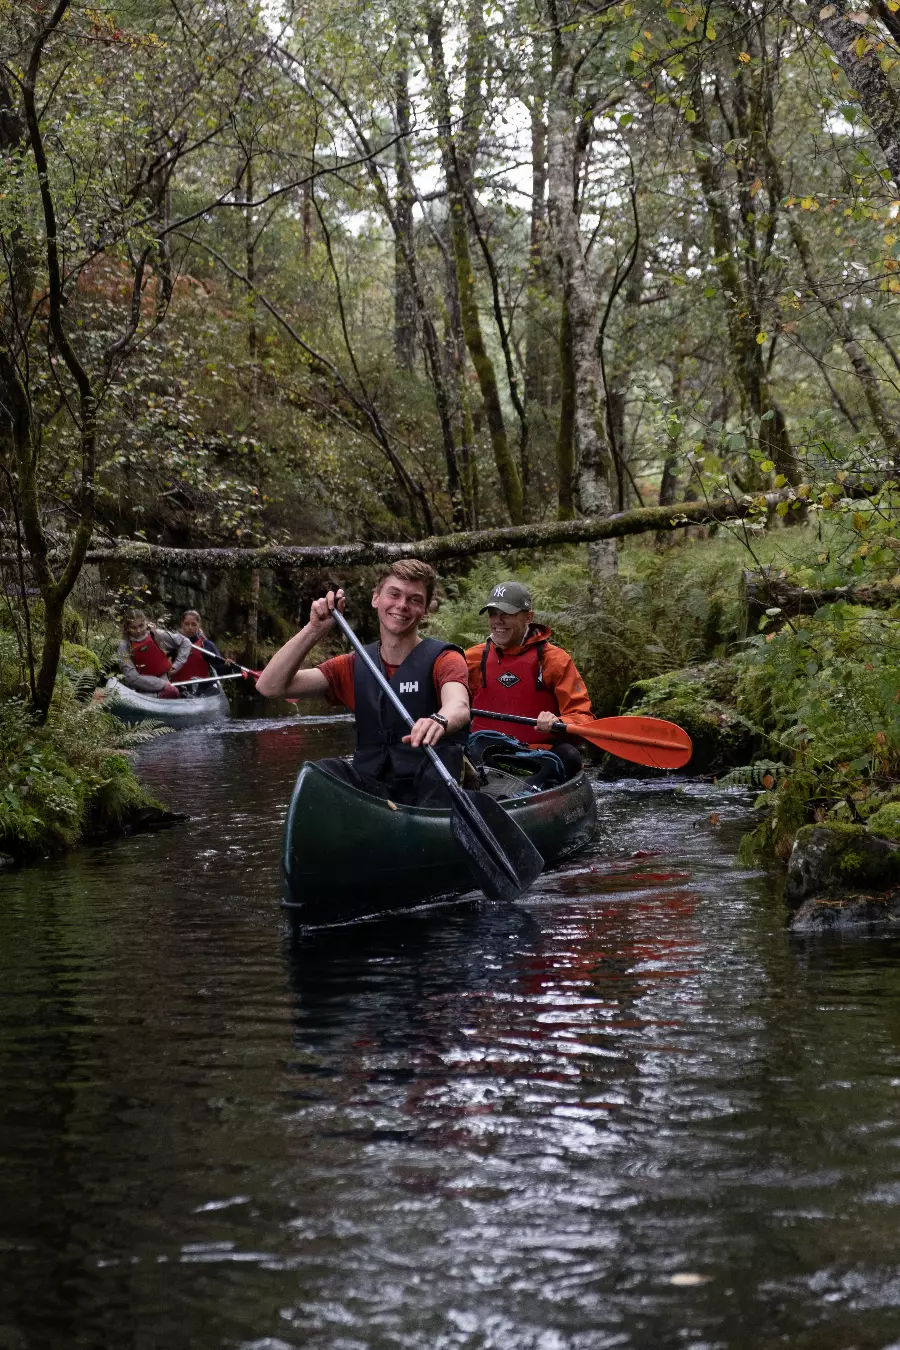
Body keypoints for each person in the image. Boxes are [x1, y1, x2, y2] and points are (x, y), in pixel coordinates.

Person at [255, 558, 471, 807]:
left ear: (424, 610)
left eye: (414, 600)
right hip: (375, 788)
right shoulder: (352, 665)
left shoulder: (445, 658)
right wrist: (314, 629)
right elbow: (270, 686)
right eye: (394, 594)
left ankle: (432, 827)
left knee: (446, 756)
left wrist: (439, 720)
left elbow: (459, 705)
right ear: (376, 598)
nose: (402, 605)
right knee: (322, 771)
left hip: (432, 787)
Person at [465, 580, 593, 779]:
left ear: (528, 617)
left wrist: (559, 722)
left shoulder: (554, 660)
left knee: (569, 755)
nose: (498, 621)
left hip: (539, 754)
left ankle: (531, 789)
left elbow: (582, 717)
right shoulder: (471, 659)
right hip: (484, 753)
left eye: (507, 614)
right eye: (493, 614)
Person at [117, 610, 196, 699]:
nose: (138, 631)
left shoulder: (157, 635)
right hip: (140, 690)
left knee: (172, 691)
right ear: (127, 628)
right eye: (133, 628)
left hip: (164, 686)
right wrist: (161, 684)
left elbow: (185, 642)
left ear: (146, 624)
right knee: (171, 691)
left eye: (141, 626)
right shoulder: (124, 647)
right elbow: (131, 677)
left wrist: (177, 665)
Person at [179, 610, 234, 680]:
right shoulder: (173, 644)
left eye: (193, 624)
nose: (190, 628)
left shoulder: (207, 645)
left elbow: (220, 669)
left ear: (199, 626)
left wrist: (227, 666)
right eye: (186, 624)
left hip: (201, 686)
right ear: (182, 625)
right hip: (177, 685)